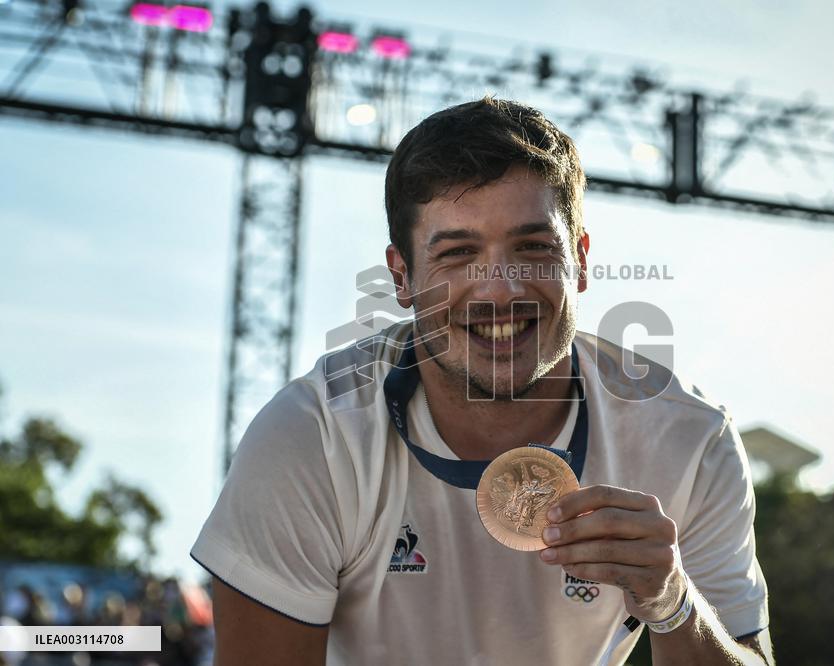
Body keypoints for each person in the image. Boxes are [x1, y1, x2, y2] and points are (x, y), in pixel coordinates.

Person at [191, 97, 773, 665]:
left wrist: (673, 602)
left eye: (533, 248)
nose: (500, 290)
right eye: (458, 254)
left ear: (582, 260)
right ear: (402, 277)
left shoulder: (690, 439)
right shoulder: (312, 435)